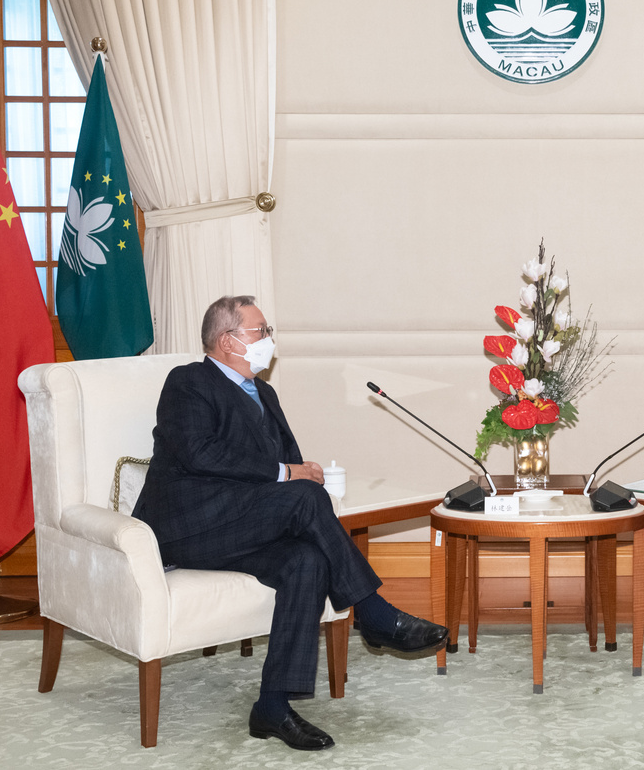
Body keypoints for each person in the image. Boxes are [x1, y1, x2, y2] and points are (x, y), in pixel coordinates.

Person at [133, 295, 448, 751]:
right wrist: (289, 476)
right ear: (227, 341)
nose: (269, 339)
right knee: (304, 496)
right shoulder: (189, 381)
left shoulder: (265, 393)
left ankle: (272, 706)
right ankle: (375, 613)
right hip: (186, 525)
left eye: (268, 331)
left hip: (241, 524)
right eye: (260, 331)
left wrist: (301, 472)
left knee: (306, 560)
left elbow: (289, 463)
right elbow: (200, 453)